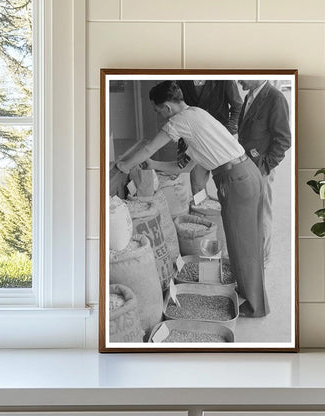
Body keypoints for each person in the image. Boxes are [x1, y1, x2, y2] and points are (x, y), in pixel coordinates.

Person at [116, 81, 269, 318]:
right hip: (247, 174)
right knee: (249, 241)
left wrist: (124, 165)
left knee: (242, 245)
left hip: (235, 181)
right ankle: (253, 297)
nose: (160, 118)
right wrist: (154, 165)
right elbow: (185, 166)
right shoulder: (197, 114)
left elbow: (147, 148)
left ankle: (255, 306)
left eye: (158, 111)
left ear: (166, 107)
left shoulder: (179, 121)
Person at [237, 80, 292, 268]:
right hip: (246, 166)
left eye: (242, 77)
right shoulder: (249, 96)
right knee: (250, 213)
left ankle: (261, 261)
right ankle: (251, 255)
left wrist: (264, 166)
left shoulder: (276, 98)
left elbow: (283, 140)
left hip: (260, 169)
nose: (238, 81)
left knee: (261, 214)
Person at [177, 80, 243, 195]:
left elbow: (237, 106)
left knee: (227, 184)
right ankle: (201, 211)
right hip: (195, 141)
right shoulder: (182, 80)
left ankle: (228, 211)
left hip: (219, 141)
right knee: (197, 185)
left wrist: (228, 131)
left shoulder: (224, 78)